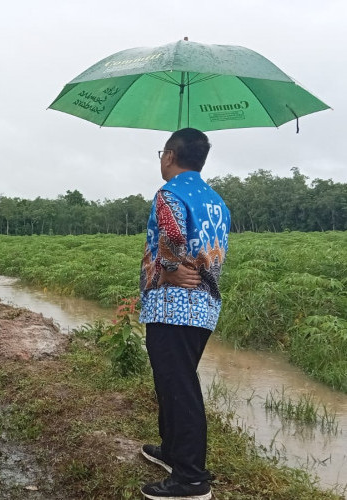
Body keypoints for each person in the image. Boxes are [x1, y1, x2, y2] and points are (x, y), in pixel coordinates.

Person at [138, 128, 230, 500]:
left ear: (171, 156)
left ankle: (191, 479)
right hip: (204, 308)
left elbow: (173, 235)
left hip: (172, 306)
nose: (161, 159)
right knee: (175, 382)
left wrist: (169, 267)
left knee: (180, 388)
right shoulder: (217, 201)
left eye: (162, 152)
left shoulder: (170, 193)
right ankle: (173, 453)